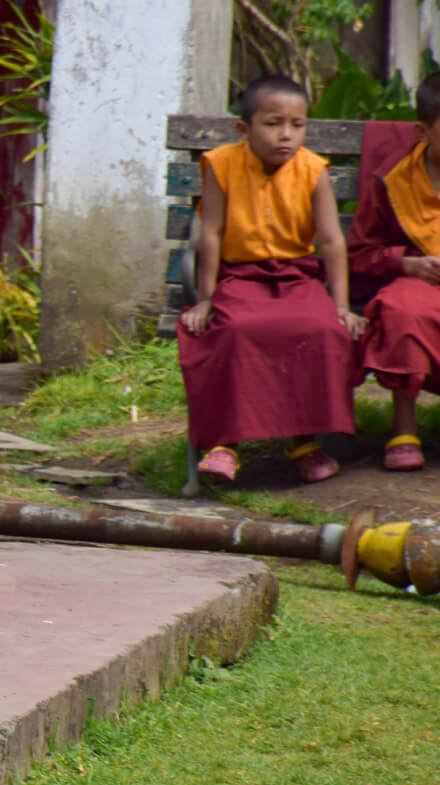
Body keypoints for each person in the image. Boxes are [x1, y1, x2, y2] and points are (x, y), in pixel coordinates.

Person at [177, 75, 364, 485]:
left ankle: (304, 440)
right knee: (235, 330)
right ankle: (225, 443)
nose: (287, 136)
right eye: (274, 123)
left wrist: (340, 307)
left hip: (297, 277)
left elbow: (331, 240)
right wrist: (206, 299)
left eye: (297, 125)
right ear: (243, 129)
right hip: (241, 277)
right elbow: (209, 234)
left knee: (319, 330)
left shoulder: (313, 170)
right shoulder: (222, 165)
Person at [348, 72, 440, 470]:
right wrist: (408, 263)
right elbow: (360, 250)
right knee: (401, 310)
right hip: (421, 280)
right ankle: (404, 427)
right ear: (422, 131)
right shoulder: (395, 178)